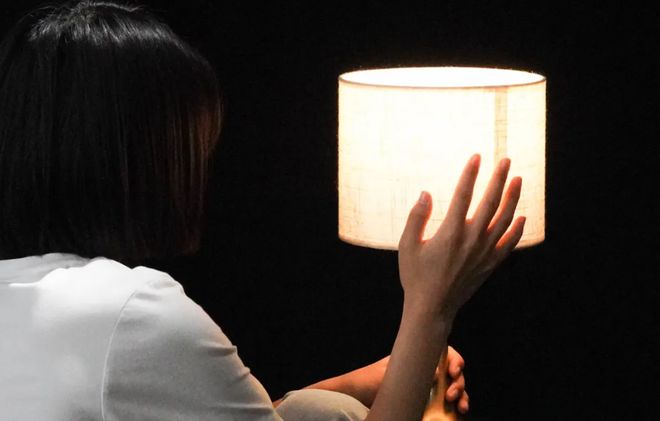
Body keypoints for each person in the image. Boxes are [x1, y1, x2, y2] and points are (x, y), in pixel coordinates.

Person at [0, 1, 523, 420]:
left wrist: (365, 382)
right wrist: (431, 308)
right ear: (144, 157)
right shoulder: (134, 314)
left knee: (315, 408)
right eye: (194, 144)